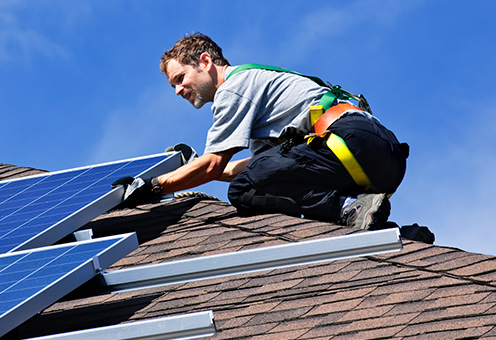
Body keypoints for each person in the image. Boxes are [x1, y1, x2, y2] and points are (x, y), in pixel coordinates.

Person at [113, 32, 408, 230]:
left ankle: (348, 207)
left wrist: (153, 186)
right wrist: (192, 169)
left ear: (205, 61)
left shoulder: (233, 89)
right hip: (382, 158)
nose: (178, 90)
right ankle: (385, 229)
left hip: (349, 144)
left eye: (180, 78)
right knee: (256, 177)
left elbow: (216, 164)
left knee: (244, 191)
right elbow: (245, 167)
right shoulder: (258, 87)